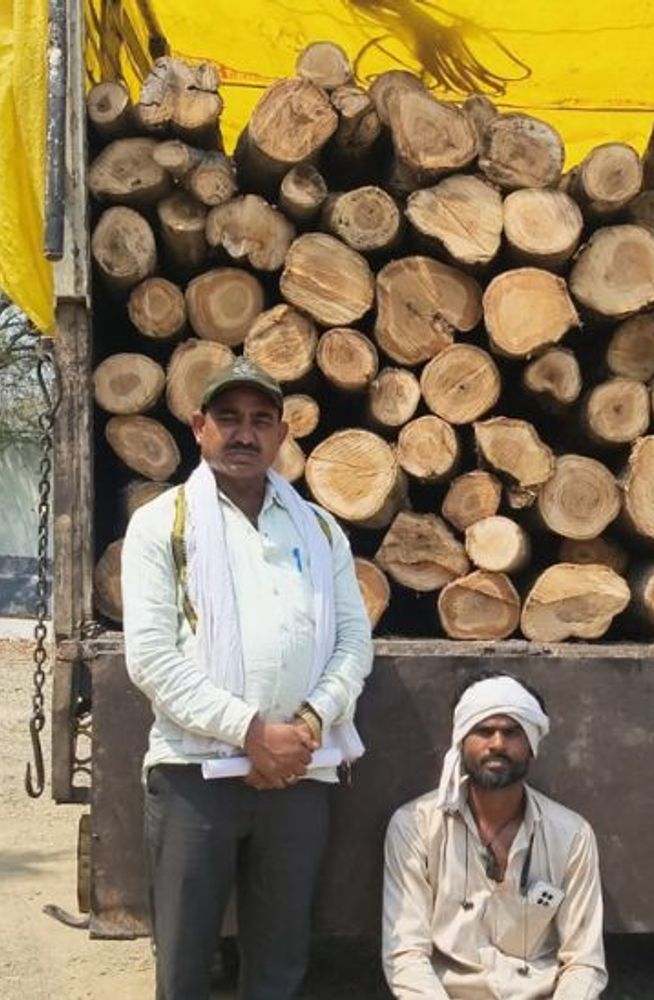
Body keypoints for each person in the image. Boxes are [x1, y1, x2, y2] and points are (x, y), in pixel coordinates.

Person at [121, 357, 373, 1000]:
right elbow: (151, 658)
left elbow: (353, 642)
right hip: (194, 773)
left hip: (299, 773)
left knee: (280, 963)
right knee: (184, 966)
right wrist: (251, 733)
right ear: (199, 427)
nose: (244, 433)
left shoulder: (319, 528)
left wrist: (307, 726)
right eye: (228, 418)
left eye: (261, 420)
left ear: (282, 435)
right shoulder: (161, 524)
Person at [382, 671, 607, 998]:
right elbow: (406, 954)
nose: (498, 744)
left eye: (512, 732)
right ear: (461, 740)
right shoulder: (415, 825)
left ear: (532, 745)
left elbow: (584, 963)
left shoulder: (572, 835)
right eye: (484, 731)